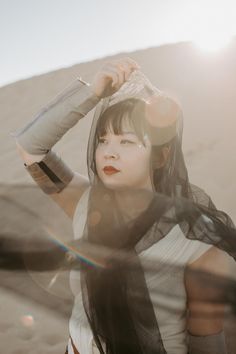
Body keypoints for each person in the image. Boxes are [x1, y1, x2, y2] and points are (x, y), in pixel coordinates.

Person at [14, 58, 235, 354]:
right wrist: (92, 93)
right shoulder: (85, 203)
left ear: (159, 157)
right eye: (104, 140)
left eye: (127, 142)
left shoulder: (194, 244)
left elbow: (208, 346)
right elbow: (31, 148)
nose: (109, 153)